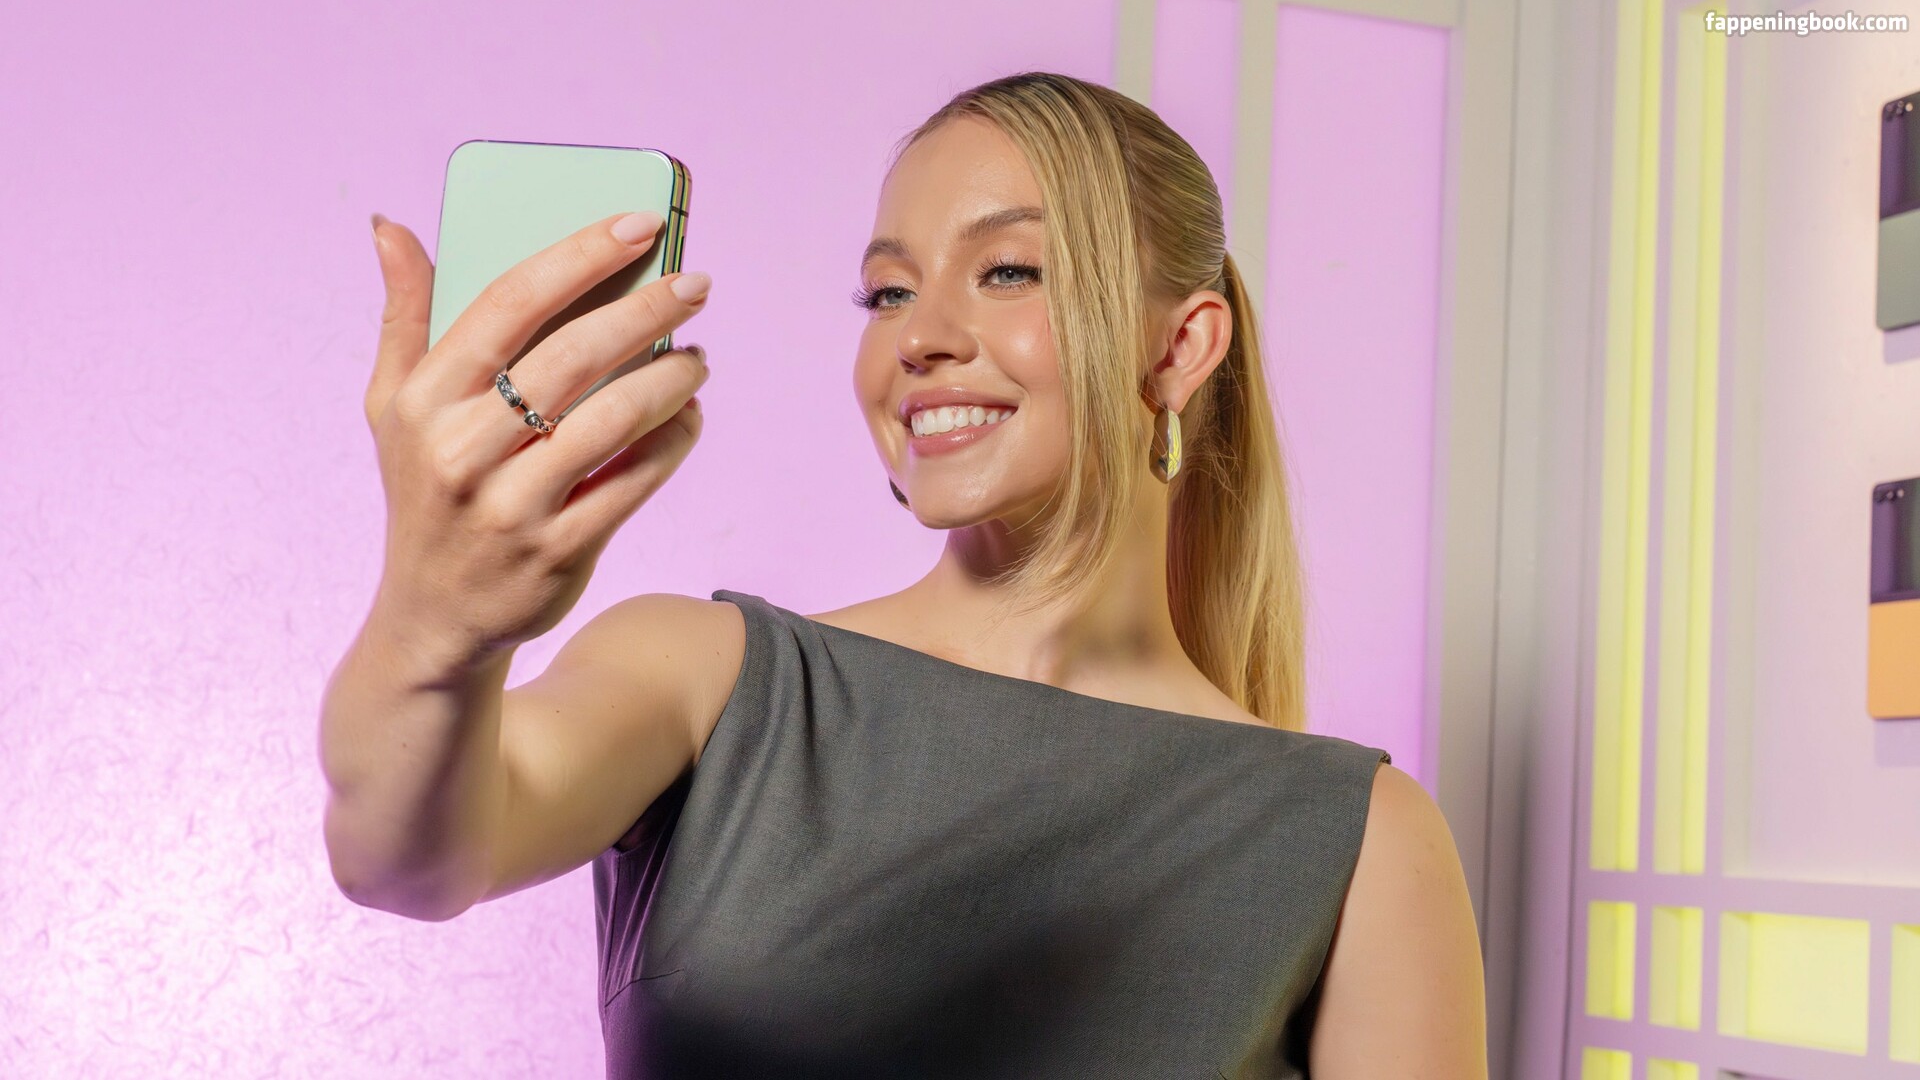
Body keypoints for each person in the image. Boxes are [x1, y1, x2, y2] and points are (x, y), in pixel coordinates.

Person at [321, 71, 1488, 1078]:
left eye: (1008, 271)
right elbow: (401, 857)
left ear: (1180, 347)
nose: (917, 337)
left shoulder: (1358, 842)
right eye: (889, 291)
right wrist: (437, 625)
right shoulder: (712, 680)